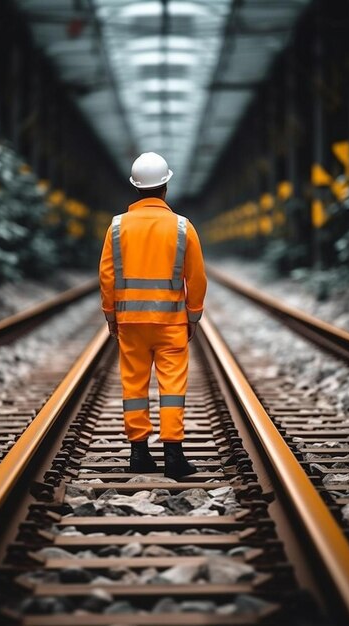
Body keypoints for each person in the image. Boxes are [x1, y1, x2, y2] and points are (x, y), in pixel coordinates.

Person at [99, 152, 207, 479]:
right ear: (165, 187)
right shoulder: (181, 227)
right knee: (172, 386)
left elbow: (107, 277)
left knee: (134, 384)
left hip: (130, 324)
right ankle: (173, 455)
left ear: (136, 188)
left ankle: (139, 453)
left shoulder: (117, 227)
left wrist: (110, 316)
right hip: (171, 323)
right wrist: (193, 315)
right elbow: (197, 277)